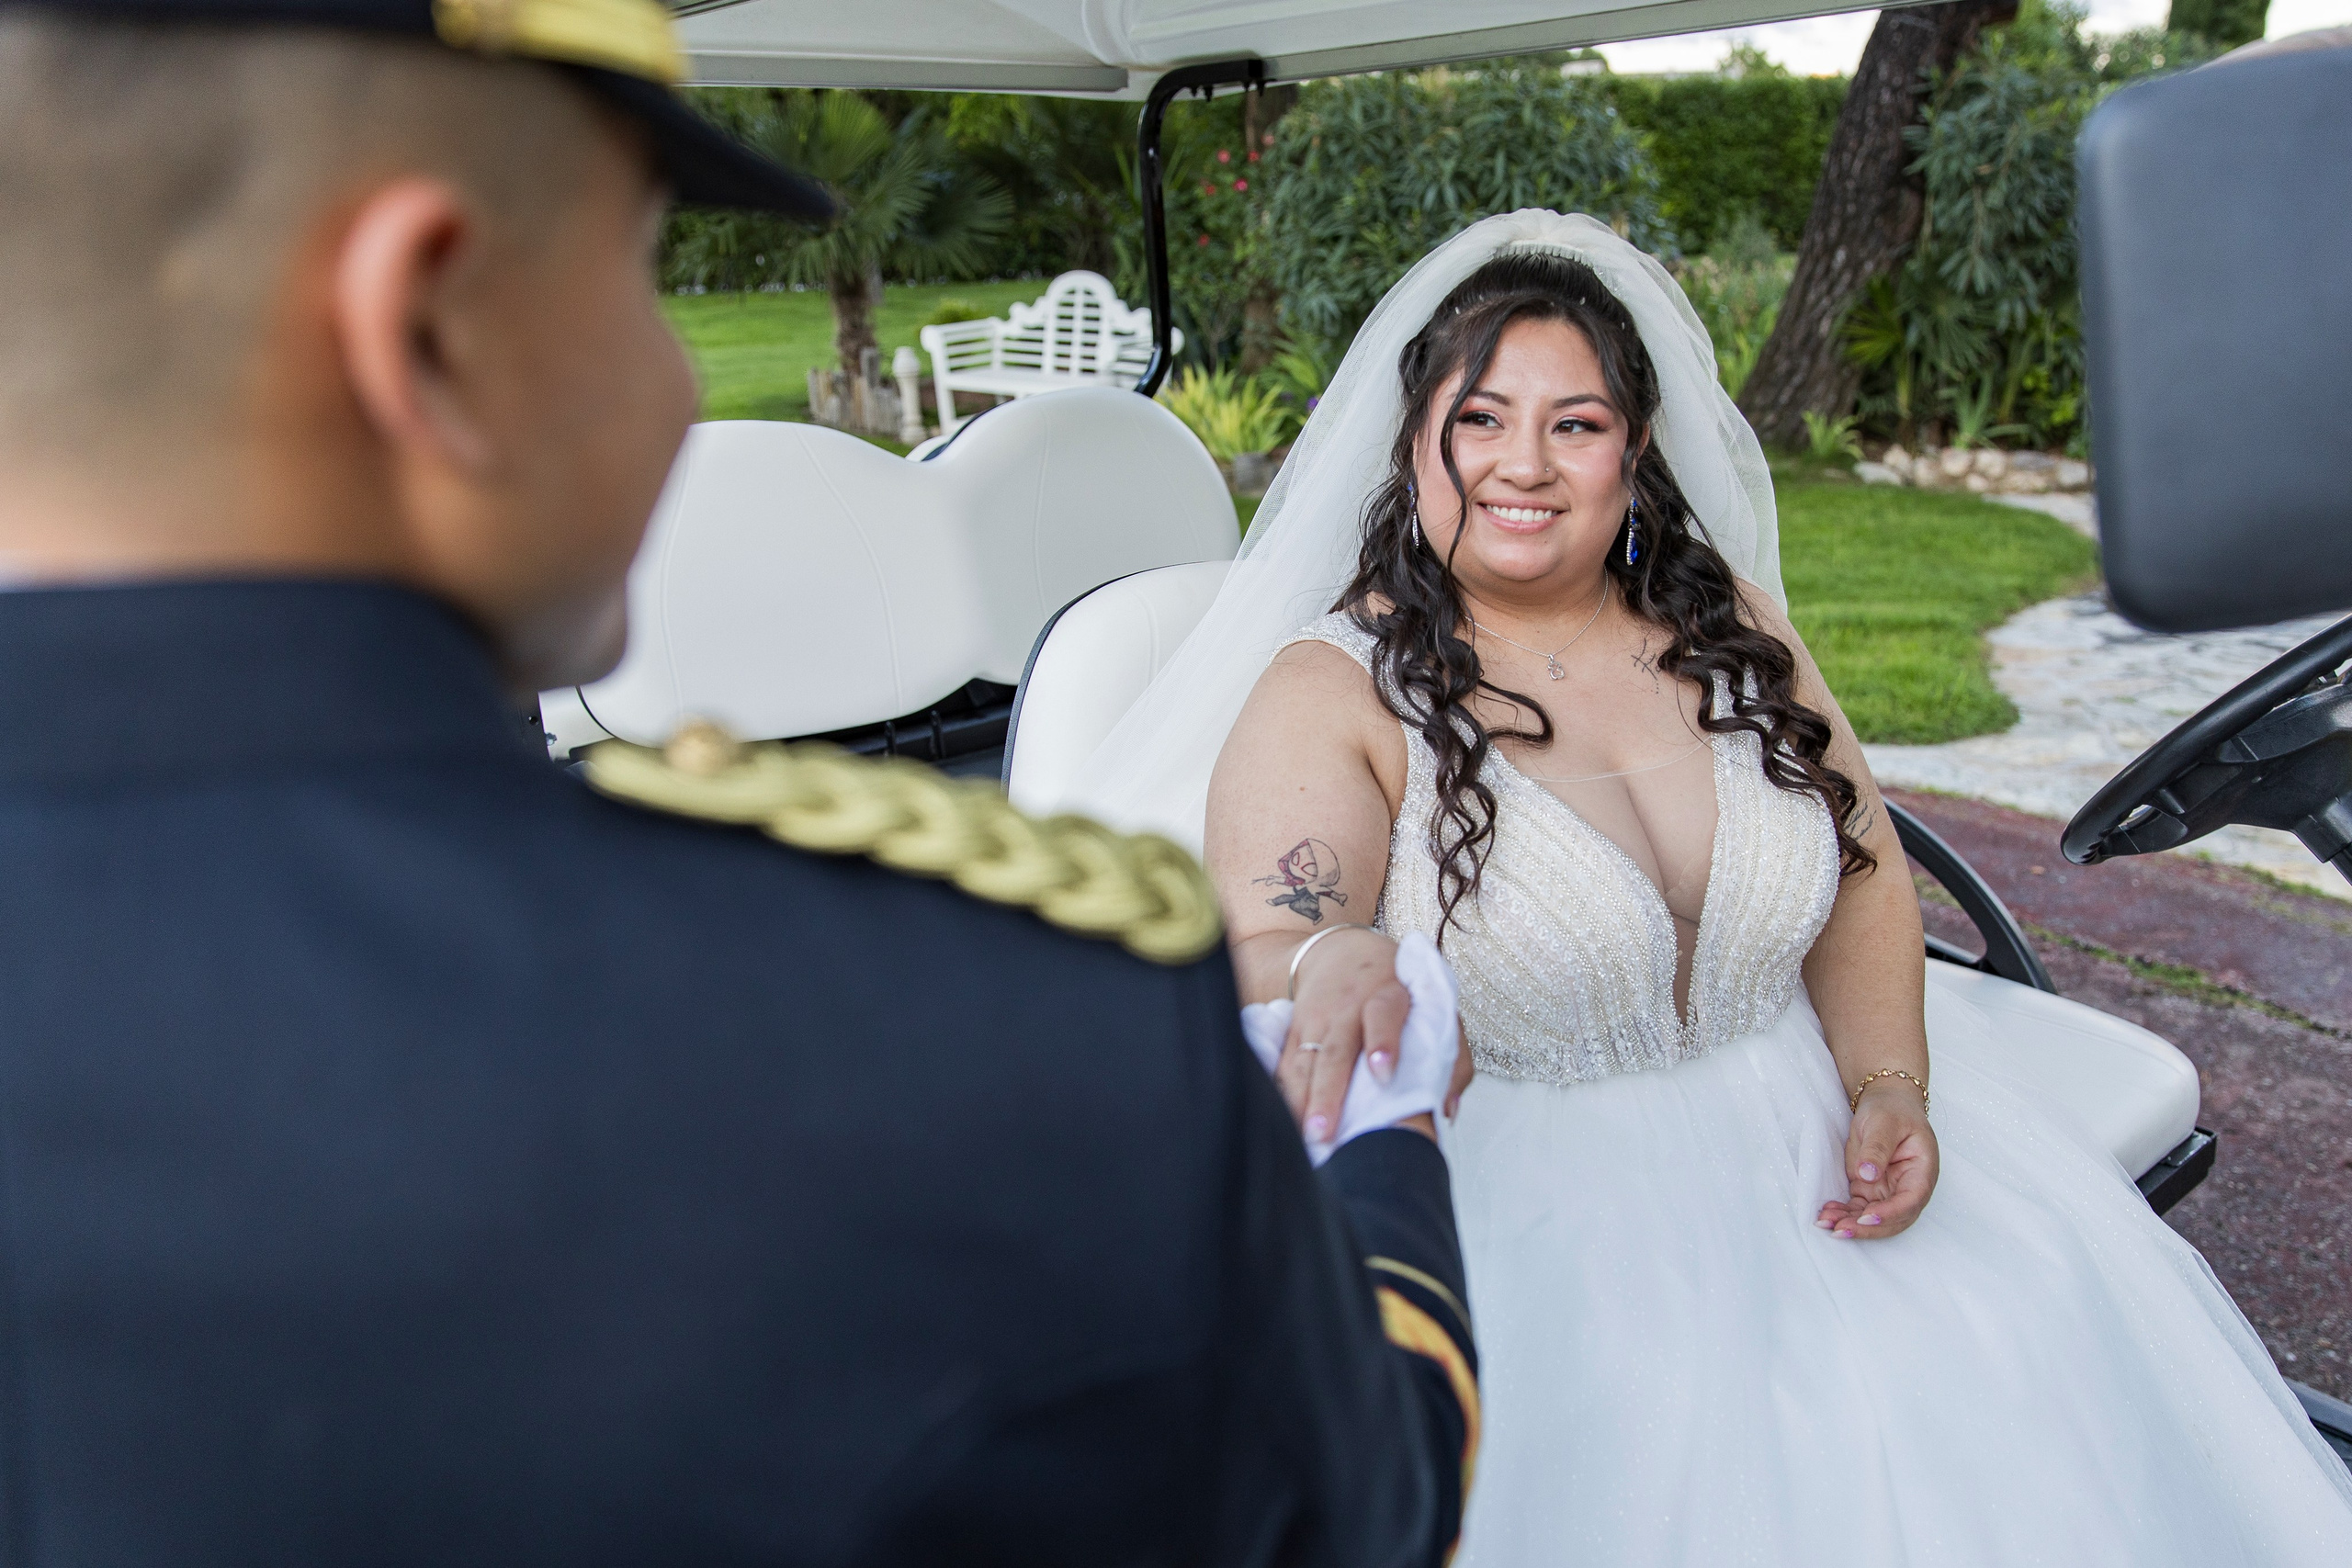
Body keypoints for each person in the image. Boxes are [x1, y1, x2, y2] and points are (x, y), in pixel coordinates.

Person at [0, 2, 1478, 1561]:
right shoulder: (980, 1027)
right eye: (637, 282)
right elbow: (1356, 1501)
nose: (669, 388)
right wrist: (1385, 1147)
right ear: (427, 324)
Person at [1061, 210, 2352, 1564]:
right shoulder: (1334, 689)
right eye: (1480, 418)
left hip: (1805, 1129)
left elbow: (1861, 865)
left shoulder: (1727, 626)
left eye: (1575, 424)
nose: (1524, 464)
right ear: (1412, 445)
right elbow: (1275, 932)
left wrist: (1891, 1084)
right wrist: (1330, 958)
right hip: (1530, 1203)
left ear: (1633, 454)